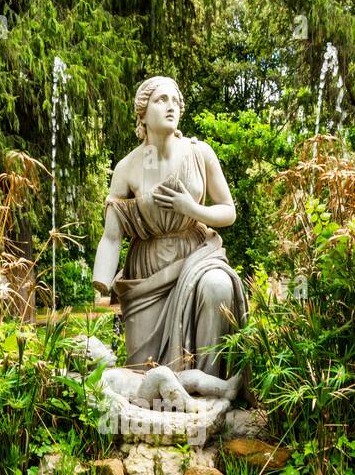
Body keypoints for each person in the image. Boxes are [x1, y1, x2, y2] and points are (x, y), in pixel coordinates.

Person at [91, 76, 246, 379]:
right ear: (142, 111)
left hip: (196, 255)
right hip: (148, 268)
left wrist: (192, 209)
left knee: (218, 286)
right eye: (161, 100)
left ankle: (207, 388)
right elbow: (111, 236)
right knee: (144, 372)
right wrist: (101, 281)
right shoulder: (127, 167)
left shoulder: (199, 153)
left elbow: (228, 211)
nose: (171, 106)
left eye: (175, 101)